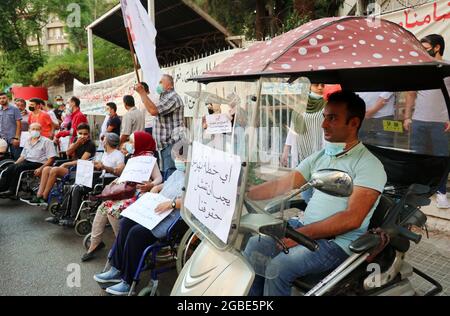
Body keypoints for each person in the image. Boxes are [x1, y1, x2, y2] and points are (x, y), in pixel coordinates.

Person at [244, 91, 387, 296]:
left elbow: (352, 219)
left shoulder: (369, 165)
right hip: (304, 229)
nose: (323, 125)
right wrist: (245, 194)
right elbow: (284, 183)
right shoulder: (321, 156)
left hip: (336, 243)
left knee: (280, 266)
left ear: (354, 123)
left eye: (333, 118)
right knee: (255, 246)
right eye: (324, 117)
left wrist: (301, 236)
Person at [93, 140, 188, 295]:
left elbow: (192, 201)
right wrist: (157, 187)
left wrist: (171, 204)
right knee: (126, 222)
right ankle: (116, 268)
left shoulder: (195, 177)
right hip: (157, 210)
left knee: (136, 233)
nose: (178, 161)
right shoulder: (178, 172)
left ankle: (127, 280)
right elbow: (167, 184)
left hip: (172, 217)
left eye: (182, 158)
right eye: (177, 157)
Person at [81, 131, 163, 262]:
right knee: (103, 207)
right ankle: (95, 243)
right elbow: (127, 175)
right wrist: (119, 180)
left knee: (112, 211)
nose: (129, 144)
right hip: (127, 191)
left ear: (140, 143)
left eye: (132, 142)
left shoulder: (149, 158)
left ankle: (123, 245)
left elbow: (159, 178)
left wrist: (151, 184)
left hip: (139, 194)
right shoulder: (133, 156)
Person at [403, 34, 450, 209]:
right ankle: (418, 190)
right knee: (417, 157)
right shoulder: (420, 69)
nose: (422, 50)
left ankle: (441, 192)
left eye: (425, 47)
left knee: (442, 158)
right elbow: (411, 93)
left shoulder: (448, 67)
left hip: (441, 123)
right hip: (418, 121)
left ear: (437, 47)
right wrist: (408, 116)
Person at [53, 133, 125, 227]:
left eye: (104, 139)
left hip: (106, 181)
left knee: (77, 188)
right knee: (71, 186)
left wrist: (104, 167)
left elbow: (119, 171)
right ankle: (61, 215)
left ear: (107, 142)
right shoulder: (105, 153)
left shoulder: (118, 154)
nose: (102, 141)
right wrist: (95, 165)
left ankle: (72, 217)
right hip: (98, 177)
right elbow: (97, 165)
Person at [281, 83, 327, 203]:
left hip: (319, 154)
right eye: (317, 84)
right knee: (306, 192)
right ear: (309, 86)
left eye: (323, 84)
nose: (320, 87)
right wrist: (286, 150)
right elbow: (292, 130)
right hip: (303, 153)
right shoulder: (300, 106)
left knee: (319, 190)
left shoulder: (327, 106)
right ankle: (308, 214)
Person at [30, 123, 96, 205]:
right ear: (77, 133)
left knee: (54, 170)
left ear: (89, 134)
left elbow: (82, 161)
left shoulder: (90, 144)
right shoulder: (76, 140)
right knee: (46, 169)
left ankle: (44, 196)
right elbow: (68, 152)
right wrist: (77, 143)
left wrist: (66, 164)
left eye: (85, 134)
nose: (82, 136)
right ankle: (39, 195)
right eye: (80, 133)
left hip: (81, 170)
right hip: (72, 167)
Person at [135, 75, 185, 176]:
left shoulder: (173, 97)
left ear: (170, 86)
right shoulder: (164, 97)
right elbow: (152, 108)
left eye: (161, 82)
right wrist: (142, 94)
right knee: (166, 176)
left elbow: (153, 111)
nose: (159, 85)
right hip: (165, 146)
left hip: (171, 144)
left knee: (171, 177)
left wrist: (142, 93)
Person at [0, 123, 57, 198]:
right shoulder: (28, 141)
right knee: (10, 167)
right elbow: (23, 156)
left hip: (39, 163)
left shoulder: (47, 141)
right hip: (28, 161)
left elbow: (51, 159)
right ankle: (2, 187)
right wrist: (14, 164)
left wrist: (41, 168)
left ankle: (12, 190)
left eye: (37, 129)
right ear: (29, 130)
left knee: (18, 168)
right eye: (33, 129)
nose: (35, 131)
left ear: (41, 130)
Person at [0, 92, 22, 160]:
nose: (2, 100)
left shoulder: (14, 109)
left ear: (8, 99)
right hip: (2, 138)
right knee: (3, 158)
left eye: (4, 98)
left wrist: (17, 138)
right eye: (0, 98)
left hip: (13, 138)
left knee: (16, 157)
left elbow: (19, 124)